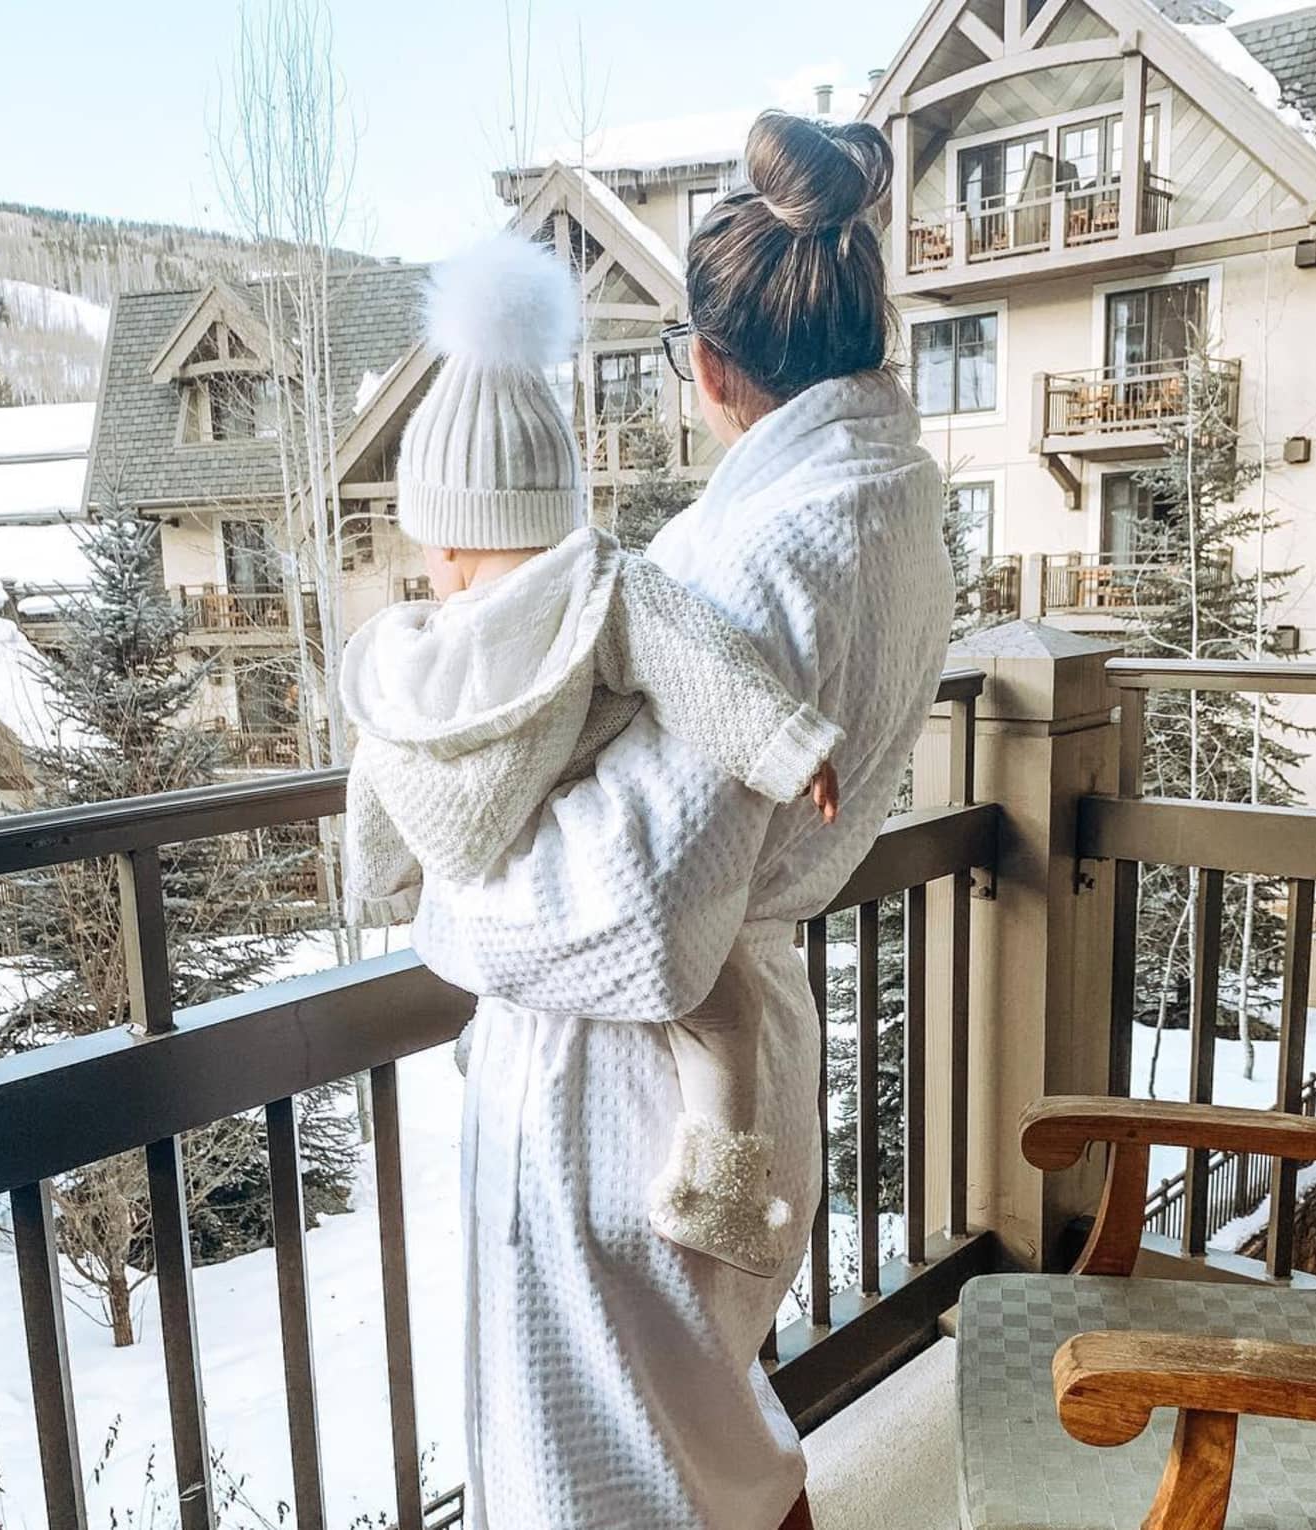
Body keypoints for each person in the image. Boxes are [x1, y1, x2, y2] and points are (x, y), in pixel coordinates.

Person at [406, 111, 954, 1530]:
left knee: (638, 1468)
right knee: (710, 1439)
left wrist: (447, 882)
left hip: (623, 1090)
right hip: (714, 1052)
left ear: (709, 362)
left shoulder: (766, 550)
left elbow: (642, 908)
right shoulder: (882, 503)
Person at [342, 234, 846, 1277]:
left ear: (439, 543)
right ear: (558, 505)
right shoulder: (603, 592)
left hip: (469, 858)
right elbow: (706, 671)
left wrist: (378, 875)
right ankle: (723, 1190)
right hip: (558, 831)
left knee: (520, 994)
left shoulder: (401, 658)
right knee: (723, 1004)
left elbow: (379, 768)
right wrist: (789, 747)